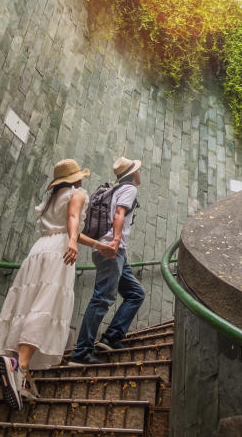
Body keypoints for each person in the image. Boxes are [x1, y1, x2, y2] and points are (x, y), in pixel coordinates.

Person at [0, 159, 114, 410]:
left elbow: (68, 227)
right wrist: (73, 244)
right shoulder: (78, 193)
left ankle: (21, 376)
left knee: (28, 304)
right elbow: (74, 220)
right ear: (75, 179)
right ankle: (19, 365)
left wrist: (96, 245)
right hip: (58, 253)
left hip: (39, 251)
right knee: (46, 308)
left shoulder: (52, 200)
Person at [70, 156, 146, 365]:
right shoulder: (129, 189)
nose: (141, 173)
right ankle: (82, 352)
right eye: (138, 170)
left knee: (135, 293)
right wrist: (115, 240)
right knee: (102, 298)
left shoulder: (114, 189)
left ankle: (111, 337)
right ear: (132, 174)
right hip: (112, 251)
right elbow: (120, 213)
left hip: (113, 253)